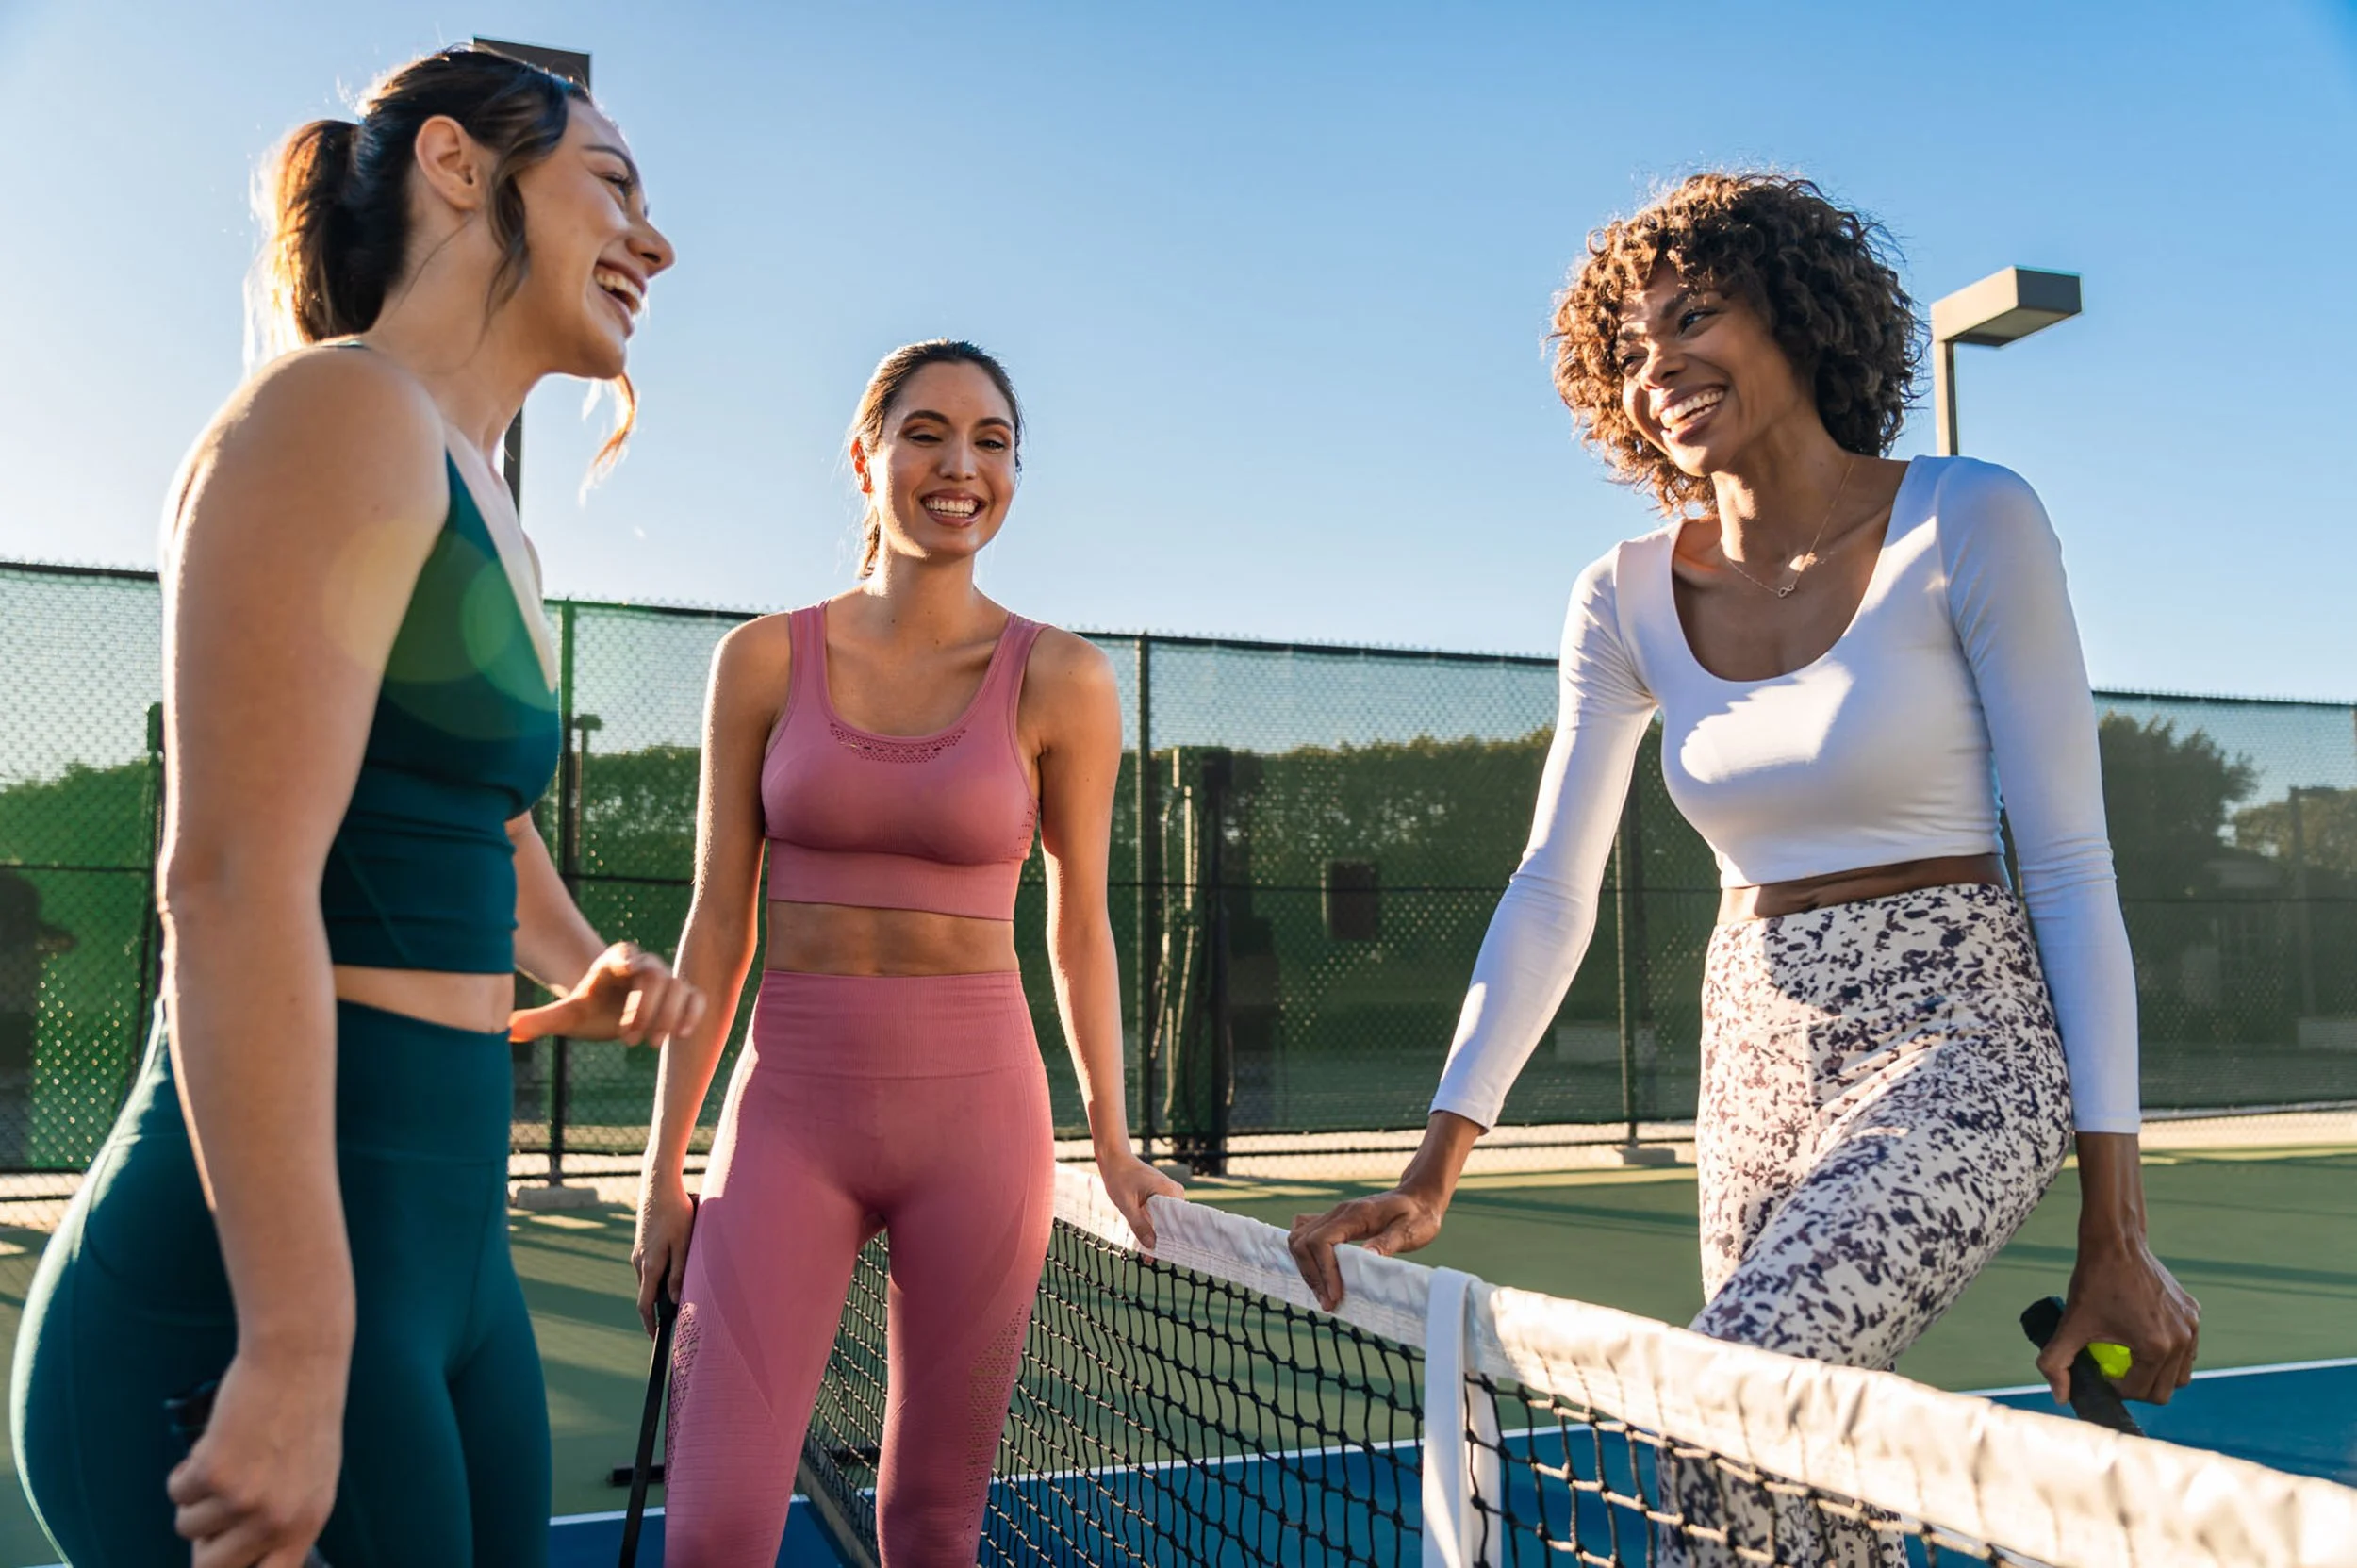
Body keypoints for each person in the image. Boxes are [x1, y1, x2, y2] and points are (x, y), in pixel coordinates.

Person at [1286, 173, 2200, 1560]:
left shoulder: (1972, 520)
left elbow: (2070, 864)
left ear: (1800, 314)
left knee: (1721, 1415)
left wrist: (2115, 1225)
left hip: (1964, 1028)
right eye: (1631, 354)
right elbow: (1551, 882)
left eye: (1695, 315)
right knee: (1790, 1506)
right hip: (1755, 1038)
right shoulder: (1622, 595)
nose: (1662, 367)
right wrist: (1433, 1166)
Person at [12, 46, 700, 1568]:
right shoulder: (334, 415)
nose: (654, 241)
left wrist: (578, 957)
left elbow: (467, 809)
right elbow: (231, 882)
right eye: (613, 185)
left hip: (451, 1256)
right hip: (241, 1291)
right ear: (461, 165)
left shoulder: (481, 497)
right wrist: (299, 1340)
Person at [631, 338, 1179, 1565]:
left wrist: (1114, 1137)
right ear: (864, 454)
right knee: (712, 1528)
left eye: (993, 441)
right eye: (927, 431)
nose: (960, 466)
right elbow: (717, 918)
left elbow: (1078, 919)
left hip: (982, 1121)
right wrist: (666, 1165)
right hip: (785, 1114)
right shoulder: (763, 660)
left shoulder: (1066, 679)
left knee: (932, 1528)